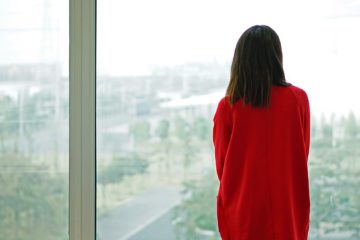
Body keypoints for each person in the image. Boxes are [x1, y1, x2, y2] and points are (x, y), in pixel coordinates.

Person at [212, 25, 310, 240]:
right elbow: (302, 153)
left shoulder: (227, 107)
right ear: (276, 56)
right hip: (287, 207)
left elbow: (223, 167)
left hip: (243, 210)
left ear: (239, 60)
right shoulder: (298, 99)